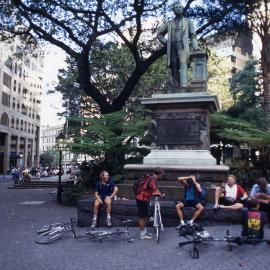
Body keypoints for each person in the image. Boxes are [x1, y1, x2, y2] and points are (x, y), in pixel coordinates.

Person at [157, 1, 199, 88]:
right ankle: (175, 86)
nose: (178, 9)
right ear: (173, 10)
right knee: (174, 65)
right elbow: (159, 34)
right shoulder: (169, 23)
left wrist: (195, 46)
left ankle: (184, 85)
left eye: (180, 7)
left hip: (182, 46)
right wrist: (166, 42)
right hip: (172, 46)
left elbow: (193, 35)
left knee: (183, 63)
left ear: (182, 9)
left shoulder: (188, 22)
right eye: (176, 8)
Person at [136, 167, 164, 240]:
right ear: (160, 173)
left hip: (142, 198)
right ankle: (142, 235)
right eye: (162, 174)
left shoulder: (150, 177)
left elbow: (150, 189)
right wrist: (161, 195)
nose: (162, 175)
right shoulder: (153, 179)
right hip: (142, 199)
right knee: (142, 217)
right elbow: (155, 189)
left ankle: (144, 232)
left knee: (144, 216)